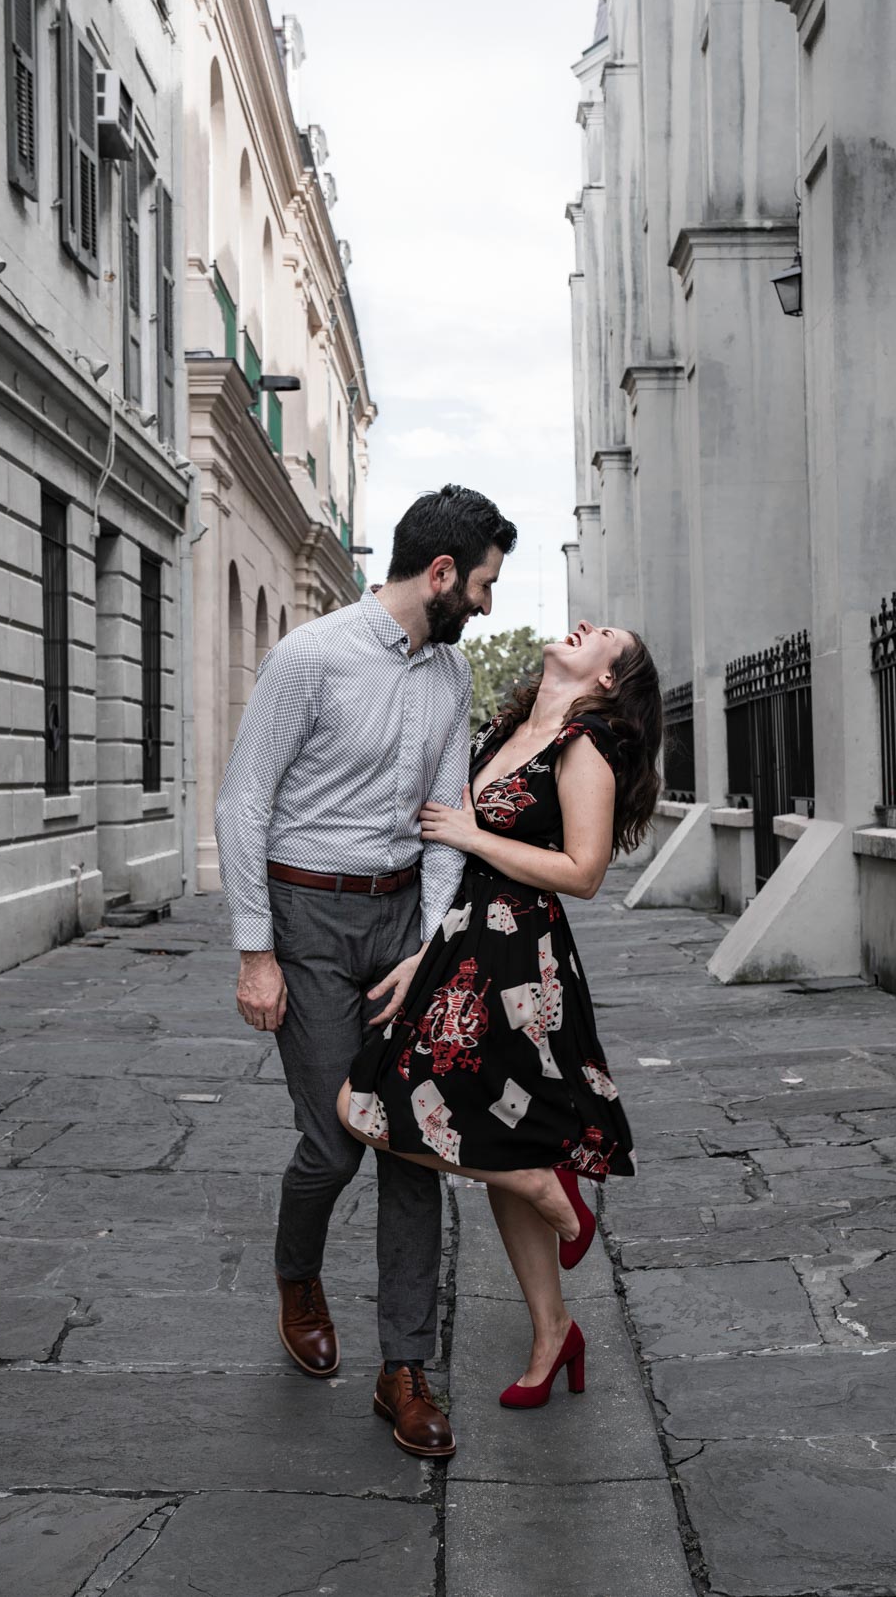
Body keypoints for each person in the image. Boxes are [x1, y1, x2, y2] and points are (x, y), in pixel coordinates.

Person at [215, 484, 517, 1462]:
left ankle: (404, 1370)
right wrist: (255, 951)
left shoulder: (450, 675)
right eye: (480, 585)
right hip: (304, 915)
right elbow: (243, 803)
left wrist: (428, 942)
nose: (485, 604)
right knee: (335, 1141)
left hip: (399, 917)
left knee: (414, 1141)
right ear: (438, 573)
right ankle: (296, 1274)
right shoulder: (310, 656)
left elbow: (441, 818)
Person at [339, 619, 661, 1410]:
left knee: (366, 1104)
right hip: (462, 940)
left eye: (606, 635)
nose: (587, 625)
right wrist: (427, 949)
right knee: (410, 1118)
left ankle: (545, 1244)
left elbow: (581, 873)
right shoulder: (507, 729)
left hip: (519, 961)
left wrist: (470, 833)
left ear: (609, 680)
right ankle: (553, 1307)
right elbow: (458, 859)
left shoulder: (584, 746)